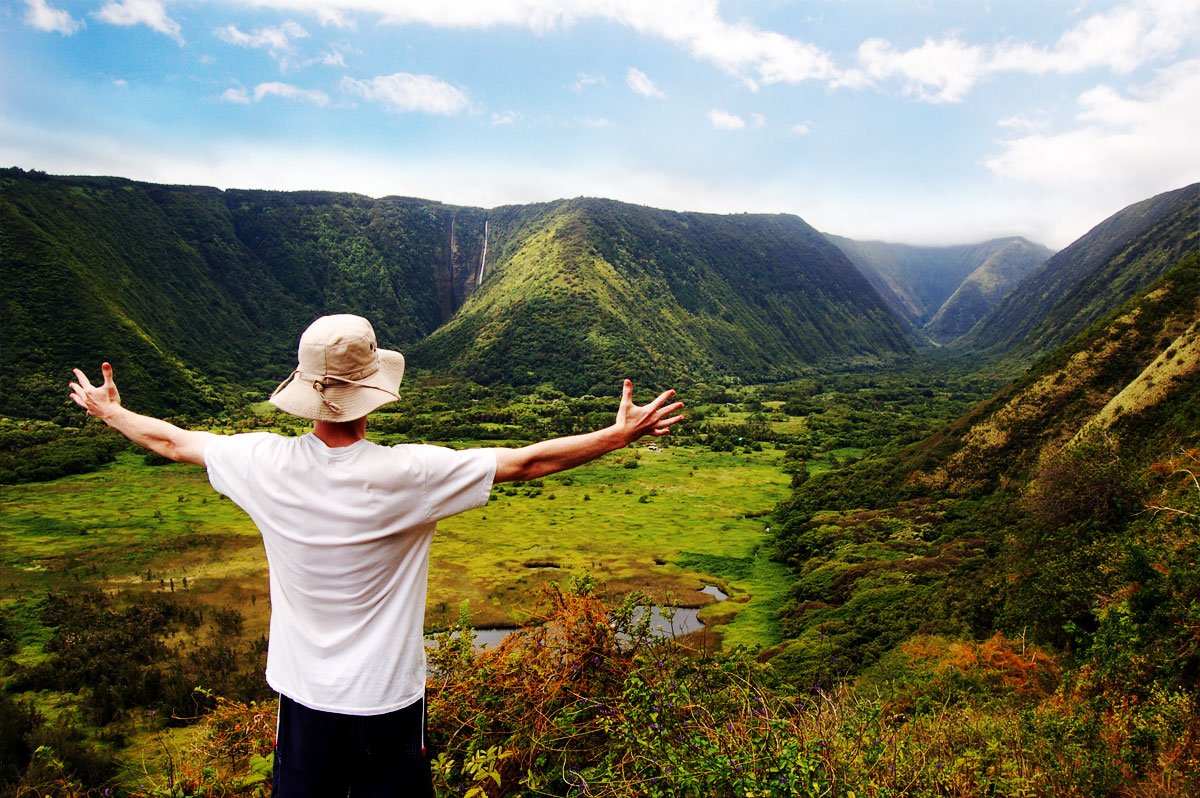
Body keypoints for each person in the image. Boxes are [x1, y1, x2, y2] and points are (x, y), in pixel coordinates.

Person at [68, 313, 684, 798]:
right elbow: (527, 461)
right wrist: (619, 434)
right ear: (373, 390)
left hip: (301, 698)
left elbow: (172, 442)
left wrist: (110, 411)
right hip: (387, 701)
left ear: (306, 389)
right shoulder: (409, 474)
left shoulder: (259, 462)